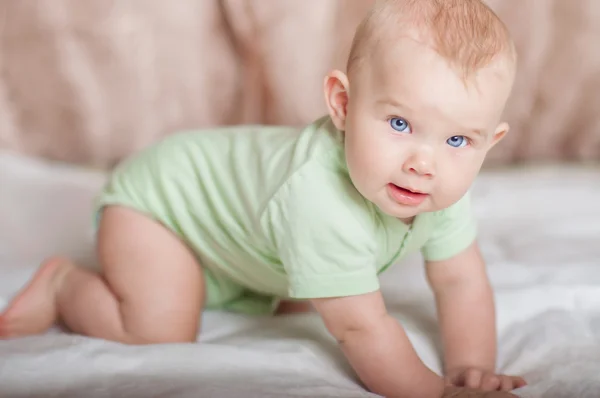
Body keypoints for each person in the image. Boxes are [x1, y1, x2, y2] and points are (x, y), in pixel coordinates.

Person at [0, 0, 527, 396]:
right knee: (158, 330)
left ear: (488, 143)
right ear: (342, 105)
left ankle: (242, 273)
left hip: (240, 226)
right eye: (399, 123)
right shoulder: (319, 199)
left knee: (302, 291)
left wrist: (470, 367)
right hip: (161, 207)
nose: (423, 161)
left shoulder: (439, 185)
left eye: (458, 139)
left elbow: (461, 281)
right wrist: (436, 391)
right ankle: (62, 284)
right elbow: (361, 326)